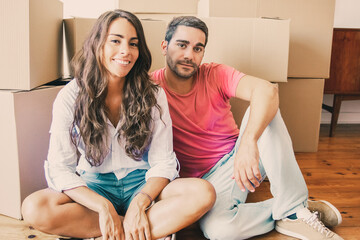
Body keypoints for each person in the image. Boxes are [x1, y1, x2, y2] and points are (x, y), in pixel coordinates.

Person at [21, 10, 216, 240]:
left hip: (141, 183)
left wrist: (140, 202)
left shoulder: (153, 94)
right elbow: (59, 168)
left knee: (203, 193)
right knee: (34, 207)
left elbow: (163, 162)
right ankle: (131, 229)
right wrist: (103, 207)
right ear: (98, 44)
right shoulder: (71, 96)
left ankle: (116, 230)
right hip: (94, 186)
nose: (126, 51)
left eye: (133, 44)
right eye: (116, 40)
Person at [151, 16, 344, 240]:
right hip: (194, 183)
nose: (189, 55)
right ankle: (297, 207)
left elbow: (268, 90)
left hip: (237, 161)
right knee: (220, 230)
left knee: (265, 106)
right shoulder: (149, 88)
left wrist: (248, 142)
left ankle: (293, 212)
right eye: (182, 45)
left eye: (198, 48)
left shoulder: (214, 73)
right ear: (165, 47)